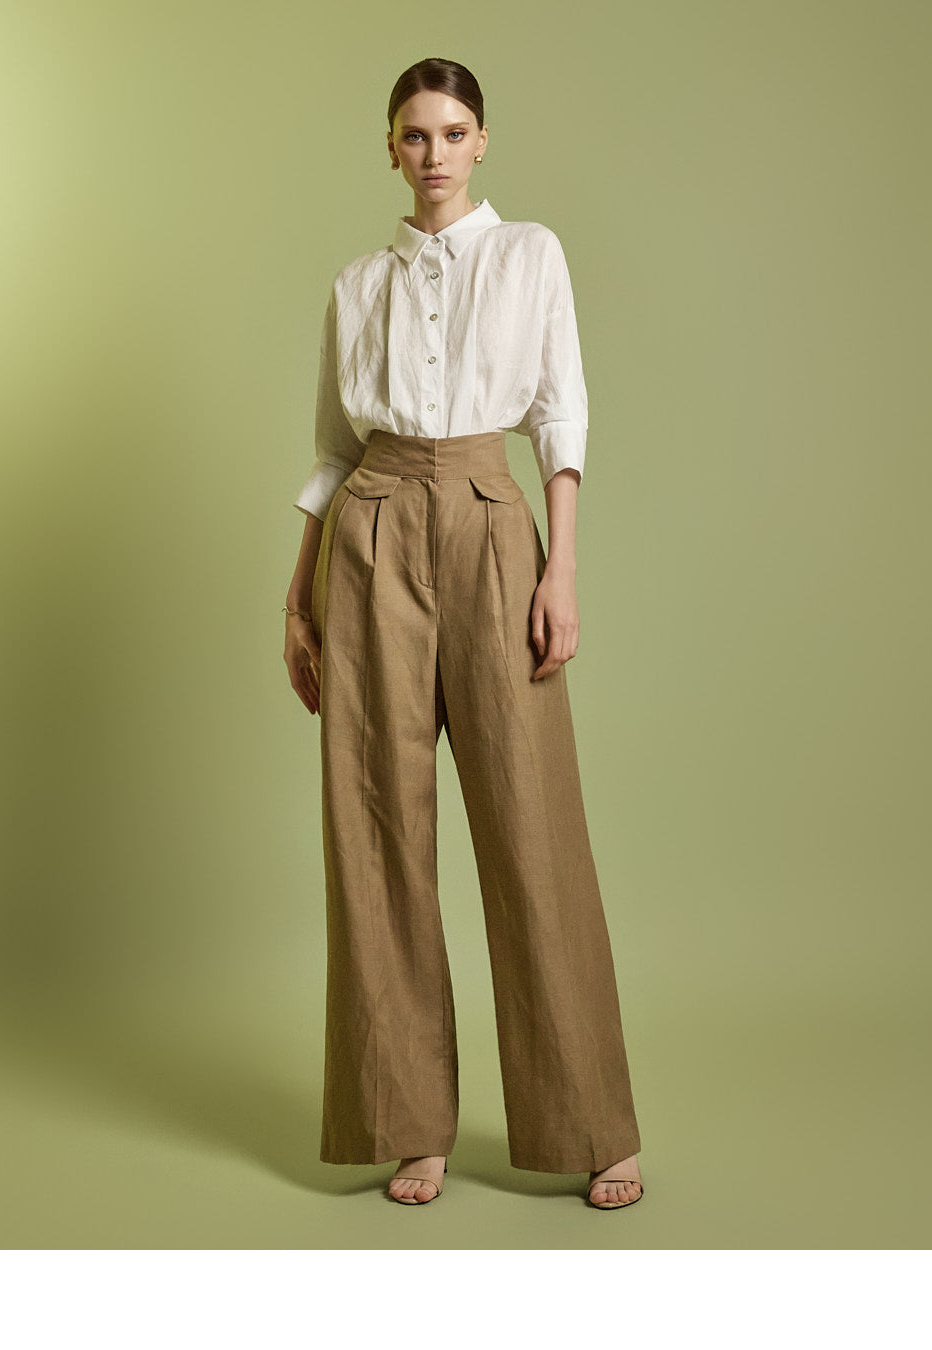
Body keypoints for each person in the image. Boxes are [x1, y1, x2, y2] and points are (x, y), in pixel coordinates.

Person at [283, 57, 645, 1210]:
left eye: (451, 132)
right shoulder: (357, 285)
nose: (432, 153)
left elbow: (559, 414)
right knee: (376, 829)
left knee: (531, 822)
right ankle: (409, 1125)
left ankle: (592, 1123)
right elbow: (334, 449)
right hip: (370, 533)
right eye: (412, 134)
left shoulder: (529, 254)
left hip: (492, 525)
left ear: (480, 141)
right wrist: (297, 595)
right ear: (389, 148)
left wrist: (561, 567)